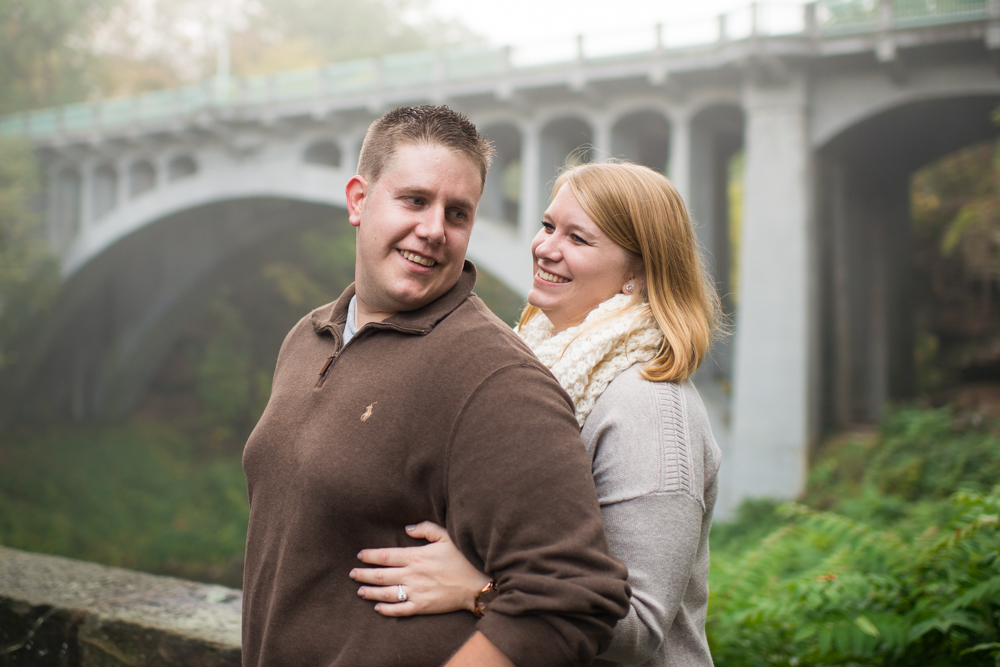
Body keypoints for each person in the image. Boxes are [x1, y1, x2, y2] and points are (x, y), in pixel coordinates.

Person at [241, 105, 631, 667]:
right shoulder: (308, 337)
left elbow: (571, 598)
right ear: (358, 199)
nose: (433, 230)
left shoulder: (495, 380)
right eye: (415, 200)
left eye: (458, 213)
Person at [351, 161, 723, 667]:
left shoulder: (647, 407)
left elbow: (640, 629)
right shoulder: (537, 364)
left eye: (579, 239)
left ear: (639, 270)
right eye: (549, 226)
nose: (546, 248)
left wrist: (480, 589)